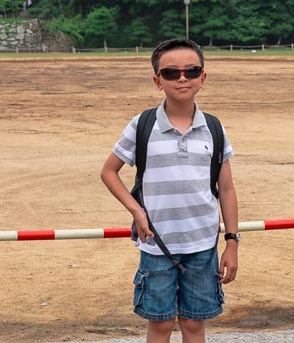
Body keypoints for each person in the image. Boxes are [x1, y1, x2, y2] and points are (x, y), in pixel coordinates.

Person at [101, 38, 239, 343]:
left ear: (203, 78)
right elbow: (109, 172)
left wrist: (232, 242)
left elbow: (226, 189)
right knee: (161, 325)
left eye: (191, 71)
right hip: (156, 245)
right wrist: (136, 211)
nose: (182, 78)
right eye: (170, 73)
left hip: (203, 245)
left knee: (193, 324)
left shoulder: (214, 128)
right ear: (157, 81)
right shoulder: (142, 125)